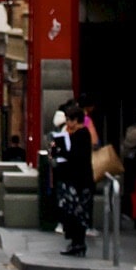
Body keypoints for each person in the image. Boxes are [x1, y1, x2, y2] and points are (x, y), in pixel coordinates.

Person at [52, 101, 94, 256]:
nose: (68, 124)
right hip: (75, 180)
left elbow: (76, 156)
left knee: (77, 212)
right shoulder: (77, 135)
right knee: (74, 212)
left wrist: (61, 151)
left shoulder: (81, 135)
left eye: (70, 120)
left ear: (76, 120)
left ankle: (78, 243)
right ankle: (76, 243)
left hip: (79, 181)